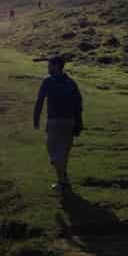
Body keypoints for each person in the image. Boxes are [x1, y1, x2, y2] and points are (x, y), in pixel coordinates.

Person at [33, 56, 83, 192]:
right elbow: (78, 104)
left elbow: (40, 101)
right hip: (69, 121)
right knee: (63, 153)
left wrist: (36, 119)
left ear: (56, 66)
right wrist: (79, 122)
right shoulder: (71, 83)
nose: (48, 68)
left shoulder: (48, 81)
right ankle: (63, 181)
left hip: (55, 121)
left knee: (53, 152)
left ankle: (63, 181)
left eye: (50, 65)